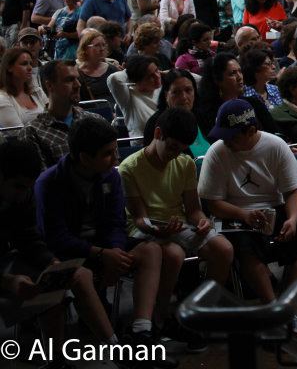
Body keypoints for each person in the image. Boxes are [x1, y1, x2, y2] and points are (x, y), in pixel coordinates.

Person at [35, 116, 176, 347]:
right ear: (84, 158)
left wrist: (116, 254)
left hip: (103, 247)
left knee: (151, 250)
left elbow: (115, 222)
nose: (116, 158)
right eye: (108, 153)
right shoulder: (50, 183)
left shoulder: (110, 175)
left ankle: (142, 331)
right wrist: (101, 254)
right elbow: (56, 238)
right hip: (70, 253)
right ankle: (114, 346)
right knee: (82, 275)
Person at [198, 99, 297, 341]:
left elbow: (292, 192)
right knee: (246, 249)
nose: (226, 141)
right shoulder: (218, 152)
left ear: (251, 131)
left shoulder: (275, 145)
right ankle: (272, 310)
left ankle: (289, 307)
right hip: (233, 213)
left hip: (273, 208)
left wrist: (293, 218)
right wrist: (243, 214)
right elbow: (212, 202)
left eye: (232, 136)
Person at [119, 107, 233, 348]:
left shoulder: (184, 163)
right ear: (158, 134)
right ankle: (160, 318)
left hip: (177, 225)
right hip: (147, 229)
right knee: (173, 252)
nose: (174, 154)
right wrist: (156, 229)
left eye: (181, 150)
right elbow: (139, 218)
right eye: (171, 147)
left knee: (223, 249)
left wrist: (202, 221)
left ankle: (201, 312)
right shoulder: (130, 167)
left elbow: (192, 209)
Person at [0, 139, 120, 363]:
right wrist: (8, 281)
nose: (22, 194)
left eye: (27, 187)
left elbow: (28, 237)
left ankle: (111, 349)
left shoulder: (22, 193)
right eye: (18, 186)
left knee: (73, 275)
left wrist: (52, 263)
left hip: (9, 259)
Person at [20, 60, 96, 169]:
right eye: (69, 80)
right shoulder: (33, 132)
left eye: (77, 79)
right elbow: (41, 181)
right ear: (50, 85)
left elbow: (111, 170)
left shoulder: (94, 121)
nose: (78, 85)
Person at [142, 69, 209, 158]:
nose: (183, 97)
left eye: (188, 90)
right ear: (166, 95)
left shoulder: (201, 115)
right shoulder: (156, 124)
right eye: (176, 92)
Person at [107, 54, 162, 138]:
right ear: (137, 80)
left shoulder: (163, 89)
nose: (157, 77)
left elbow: (189, 76)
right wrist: (129, 70)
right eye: (150, 76)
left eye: (157, 70)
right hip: (143, 146)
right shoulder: (129, 96)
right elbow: (114, 79)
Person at [0, 47, 45, 128]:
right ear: (9, 67)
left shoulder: (36, 91)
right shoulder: (2, 99)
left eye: (30, 64)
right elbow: (19, 135)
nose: (29, 68)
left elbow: (53, 119)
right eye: (24, 64)